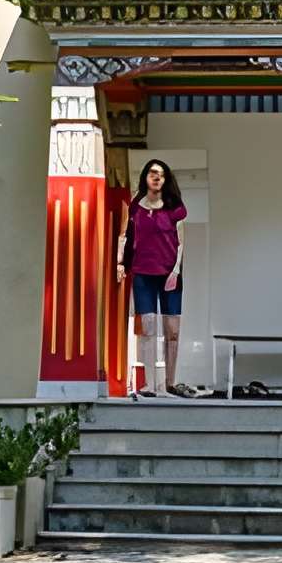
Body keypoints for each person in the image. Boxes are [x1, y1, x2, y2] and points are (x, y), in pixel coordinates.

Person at [117, 158, 196, 396]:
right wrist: (122, 263)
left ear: (166, 179)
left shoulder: (175, 208)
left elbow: (182, 243)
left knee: (172, 330)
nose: (157, 177)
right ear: (145, 177)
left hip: (170, 275)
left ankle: (170, 382)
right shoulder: (135, 207)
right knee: (148, 328)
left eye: (161, 174)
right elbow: (127, 237)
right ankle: (150, 384)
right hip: (143, 273)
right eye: (152, 172)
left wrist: (175, 271)